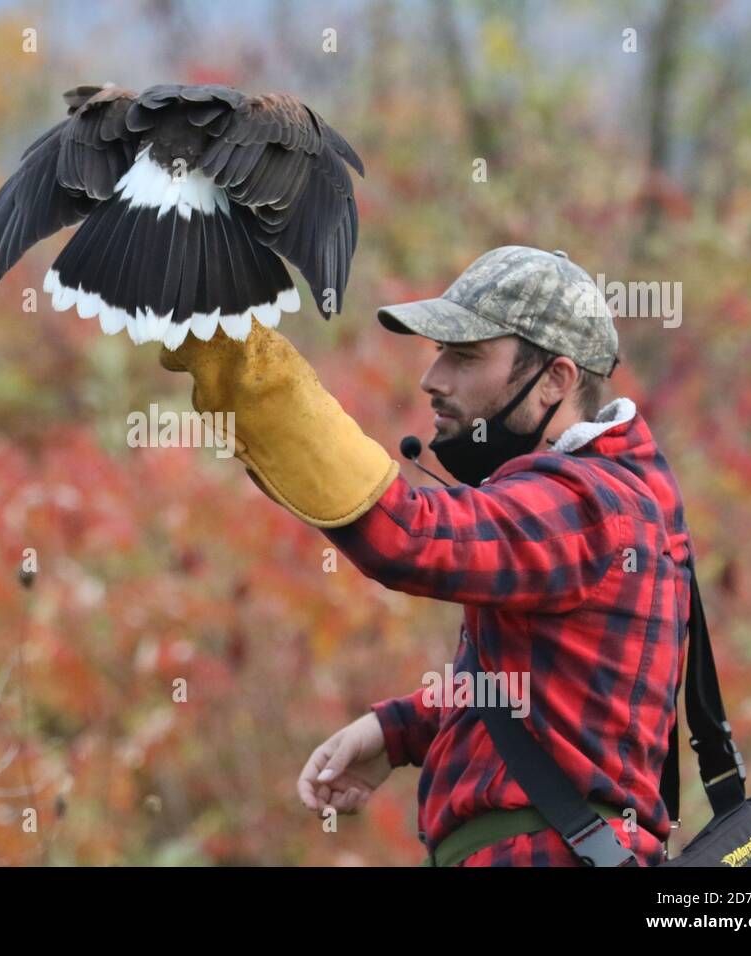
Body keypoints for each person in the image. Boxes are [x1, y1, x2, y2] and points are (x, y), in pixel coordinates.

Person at [161, 245, 694, 866]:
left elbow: (406, 536)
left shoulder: (589, 503)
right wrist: (398, 731)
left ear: (557, 379)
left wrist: (229, 351)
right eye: (439, 352)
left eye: (465, 356)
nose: (432, 378)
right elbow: (547, 695)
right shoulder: (615, 501)